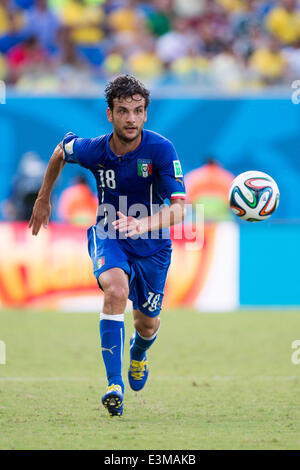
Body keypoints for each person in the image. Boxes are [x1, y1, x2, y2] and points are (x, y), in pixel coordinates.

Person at [29, 74, 186, 417]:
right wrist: (44, 198)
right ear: (109, 115)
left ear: (146, 114)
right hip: (108, 231)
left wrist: (141, 224)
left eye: (138, 110)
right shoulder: (93, 149)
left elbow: (179, 209)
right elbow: (60, 150)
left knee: (147, 324)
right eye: (123, 111)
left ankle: (139, 352)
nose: (131, 118)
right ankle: (114, 385)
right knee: (115, 290)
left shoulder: (161, 149)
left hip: (153, 244)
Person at [185, 156, 234, 222]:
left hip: (199, 218)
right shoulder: (227, 176)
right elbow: (233, 199)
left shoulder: (193, 176)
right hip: (222, 219)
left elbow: (187, 199)